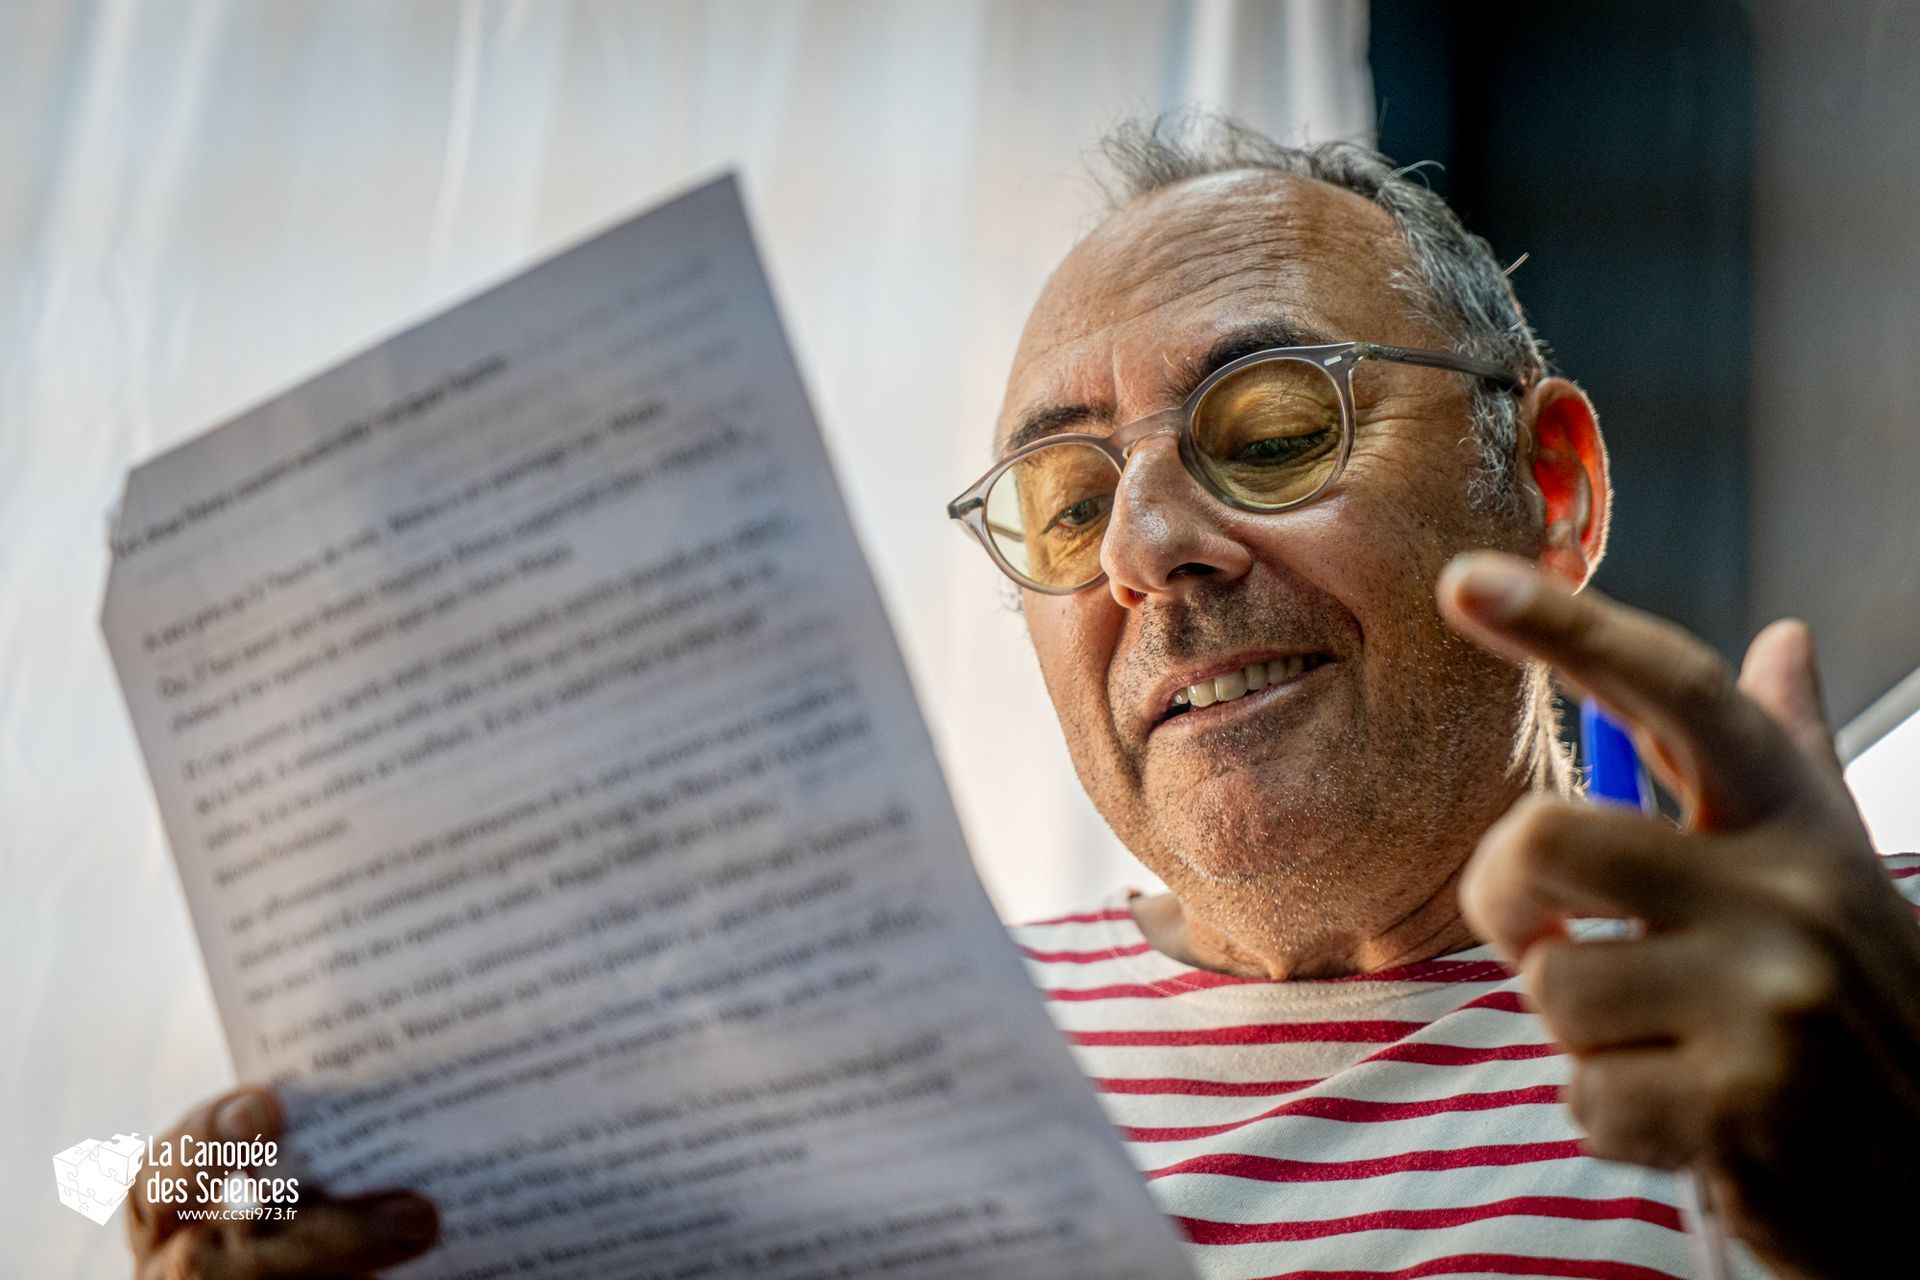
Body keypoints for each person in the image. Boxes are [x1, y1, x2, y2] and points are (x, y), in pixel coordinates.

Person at [128, 114, 1920, 1280]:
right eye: (1067, 505)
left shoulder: (1852, 991)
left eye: (1271, 431)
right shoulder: (843, 1056)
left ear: (1552, 486)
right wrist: (241, 1204)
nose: (1146, 548)